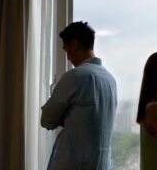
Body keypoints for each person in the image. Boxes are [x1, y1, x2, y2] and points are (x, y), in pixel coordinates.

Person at [41, 21, 117, 170]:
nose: (68, 57)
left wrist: (65, 116)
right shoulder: (110, 79)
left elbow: (47, 120)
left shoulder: (76, 76)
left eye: (66, 50)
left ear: (75, 45)